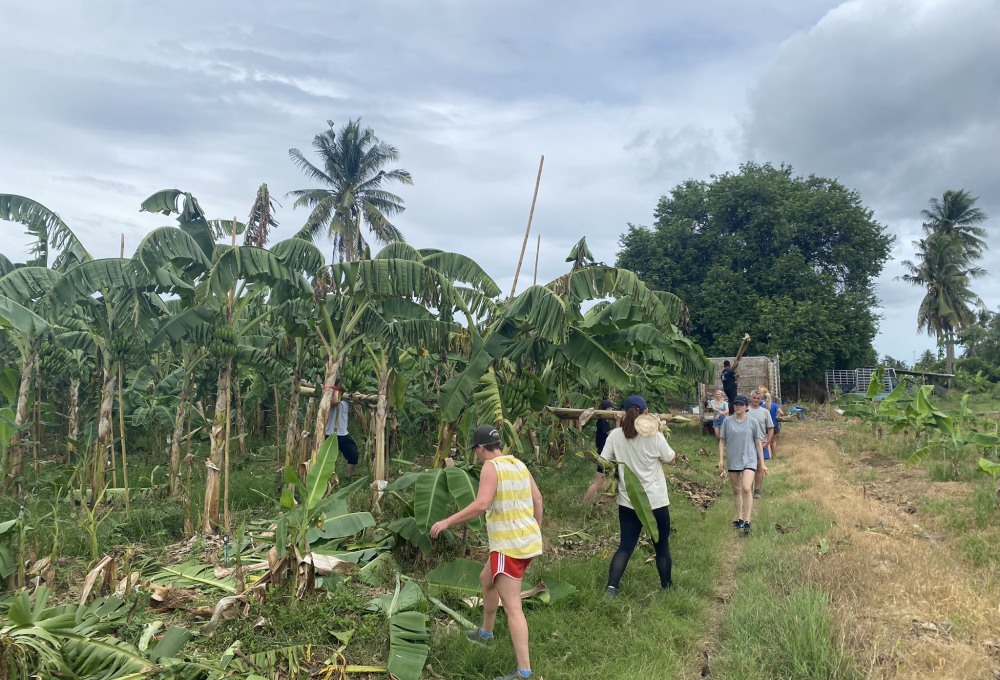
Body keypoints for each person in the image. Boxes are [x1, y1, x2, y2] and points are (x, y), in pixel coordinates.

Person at [431, 425, 543, 680]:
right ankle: (486, 633)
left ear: (481, 448)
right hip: (525, 543)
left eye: (477, 451)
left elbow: (481, 505)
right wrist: (535, 530)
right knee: (486, 579)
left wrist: (447, 521)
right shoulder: (518, 464)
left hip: (508, 546)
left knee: (513, 607)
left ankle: (524, 671)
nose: (478, 456)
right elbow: (538, 500)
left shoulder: (491, 467)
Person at [598, 395, 677, 596]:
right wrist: (659, 430)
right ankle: (666, 587)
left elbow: (604, 461)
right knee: (662, 545)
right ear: (645, 412)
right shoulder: (655, 436)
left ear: (625, 413)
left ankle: (612, 587)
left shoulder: (615, 435)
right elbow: (671, 459)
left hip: (628, 501)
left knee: (625, 546)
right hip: (655, 501)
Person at [718, 395, 767, 534]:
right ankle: (739, 518)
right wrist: (721, 459)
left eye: (741, 404)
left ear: (746, 407)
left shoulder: (752, 422)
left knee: (746, 488)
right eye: (736, 404)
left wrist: (762, 464)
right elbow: (722, 440)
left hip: (749, 459)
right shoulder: (727, 421)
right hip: (733, 459)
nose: (738, 406)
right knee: (736, 489)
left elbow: (758, 443)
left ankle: (747, 521)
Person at [583, 399, 618, 502]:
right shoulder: (602, 421)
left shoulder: (602, 421)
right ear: (607, 409)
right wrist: (618, 422)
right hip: (605, 455)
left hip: (603, 453)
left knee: (610, 480)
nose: (612, 411)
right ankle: (586, 502)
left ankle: (602, 502)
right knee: (599, 482)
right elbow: (613, 435)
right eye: (611, 409)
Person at [324, 381, 360, 479]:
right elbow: (335, 402)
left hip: (343, 434)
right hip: (329, 433)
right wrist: (336, 390)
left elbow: (359, 401)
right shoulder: (328, 395)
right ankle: (327, 478)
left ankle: (348, 477)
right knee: (327, 459)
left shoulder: (347, 398)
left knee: (353, 455)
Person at [747, 389, 774, 499]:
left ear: (761, 399)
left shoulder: (765, 412)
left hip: (761, 444)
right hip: (746, 444)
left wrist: (768, 442)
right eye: (754, 398)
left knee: (759, 467)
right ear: (750, 398)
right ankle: (748, 487)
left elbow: (771, 428)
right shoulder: (745, 410)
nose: (756, 400)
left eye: (758, 398)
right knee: (747, 468)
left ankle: (757, 490)